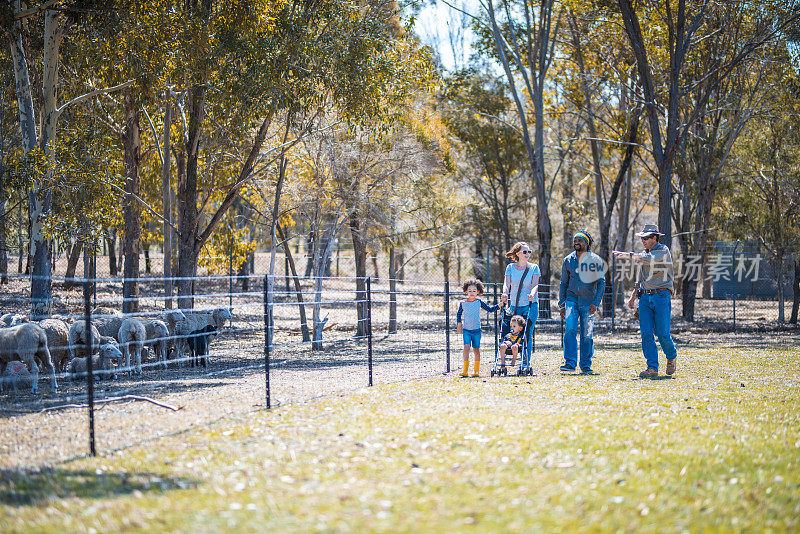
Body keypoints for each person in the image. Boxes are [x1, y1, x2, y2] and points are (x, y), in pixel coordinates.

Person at [612, 224, 678, 378]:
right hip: (645, 298)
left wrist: (628, 254)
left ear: (655, 238)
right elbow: (640, 276)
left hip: (661, 296)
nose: (643, 240)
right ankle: (652, 368)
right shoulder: (643, 254)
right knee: (646, 333)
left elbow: (649, 259)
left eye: (646, 238)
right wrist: (634, 295)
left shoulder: (663, 250)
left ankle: (671, 356)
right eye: (642, 238)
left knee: (662, 333)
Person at [558, 230, 605, 374]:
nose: (576, 242)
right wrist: (562, 303)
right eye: (575, 240)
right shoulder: (568, 260)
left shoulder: (595, 260)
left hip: (588, 302)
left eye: (580, 240)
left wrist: (596, 303)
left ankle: (585, 365)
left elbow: (601, 283)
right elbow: (563, 283)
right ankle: (570, 363)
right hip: (571, 301)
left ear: (587, 243)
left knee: (587, 334)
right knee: (570, 330)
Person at [499, 242, 540, 372]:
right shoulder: (510, 267)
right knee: (512, 333)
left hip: (530, 305)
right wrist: (505, 293)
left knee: (527, 333)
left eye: (529, 252)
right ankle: (509, 359)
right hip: (514, 306)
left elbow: (535, 285)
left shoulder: (534, 268)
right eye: (525, 252)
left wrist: (532, 295)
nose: (527, 254)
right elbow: (507, 283)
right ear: (517, 253)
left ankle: (525, 363)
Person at [456, 279, 501, 377]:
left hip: (476, 331)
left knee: (476, 349)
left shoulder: (479, 302)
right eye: (470, 290)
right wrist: (459, 324)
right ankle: (465, 371)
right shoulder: (463, 303)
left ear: (478, 292)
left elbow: (489, 309)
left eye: (474, 291)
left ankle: (476, 371)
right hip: (466, 330)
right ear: (466, 291)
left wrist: (499, 305)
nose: (472, 293)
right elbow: (459, 314)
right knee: (466, 348)